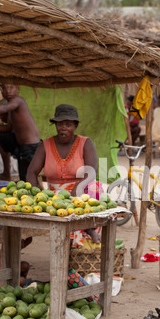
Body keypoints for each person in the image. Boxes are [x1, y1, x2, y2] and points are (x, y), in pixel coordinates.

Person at [26, 104, 101, 245]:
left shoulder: (85, 143)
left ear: (75, 126)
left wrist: (77, 189)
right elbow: (31, 171)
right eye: (60, 124)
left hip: (81, 192)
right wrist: (36, 193)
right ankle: (69, 248)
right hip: (55, 197)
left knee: (95, 190)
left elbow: (92, 170)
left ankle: (89, 229)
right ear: (55, 125)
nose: (64, 127)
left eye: (68, 124)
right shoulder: (45, 145)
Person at [0, 83, 41, 181]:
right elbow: (8, 128)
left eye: (11, 87)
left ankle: (36, 195)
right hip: (24, 148)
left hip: (31, 147)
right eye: (4, 88)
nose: (7, 91)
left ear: (18, 89)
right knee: (25, 177)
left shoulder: (18, 101)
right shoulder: (12, 109)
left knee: (29, 178)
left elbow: (4, 108)